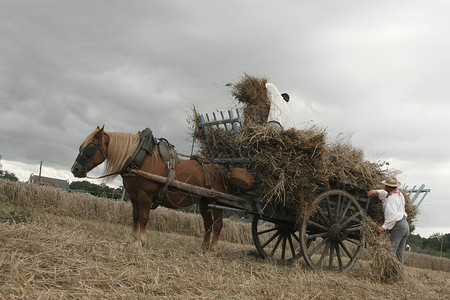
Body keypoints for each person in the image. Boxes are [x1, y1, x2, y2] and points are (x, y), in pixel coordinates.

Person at [367, 176, 409, 264]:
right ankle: (398, 277)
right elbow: (385, 194)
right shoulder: (398, 194)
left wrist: (384, 227)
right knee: (399, 255)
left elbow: (392, 216)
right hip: (405, 226)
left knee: (390, 253)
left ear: (388, 187)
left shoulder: (391, 199)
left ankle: (389, 276)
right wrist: (376, 191)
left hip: (397, 226)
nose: (384, 187)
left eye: (385, 185)